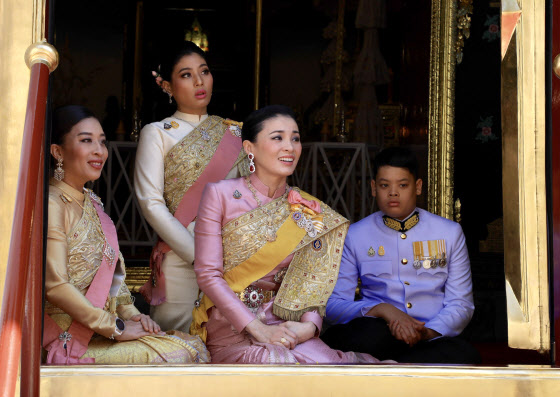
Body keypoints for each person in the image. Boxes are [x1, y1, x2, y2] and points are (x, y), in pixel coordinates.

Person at [190, 105, 385, 364]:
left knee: (334, 370)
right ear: (250, 148)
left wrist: (309, 327)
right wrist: (259, 330)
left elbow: (313, 282)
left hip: (286, 325)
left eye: (295, 138)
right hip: (231, 326)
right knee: (277, 366)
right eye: (277, 138)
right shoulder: (220, 195)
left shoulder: (309, 210)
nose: (290, 147)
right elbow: (207, 274)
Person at [43, 105, 209, 364]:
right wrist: (116, 326)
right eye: (86, 141)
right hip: (65, 336)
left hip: (102, 330)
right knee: (181, 354)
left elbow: (113, 286)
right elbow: (55, 286)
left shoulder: (92, 202)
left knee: (191, 344)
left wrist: (132, 316)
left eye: (102, 142)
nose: (100, 151)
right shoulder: (53, 203)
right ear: (57, 151)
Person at [321, 147, 481, 364]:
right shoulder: (355, 235)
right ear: (373, 188)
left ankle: (398, 360)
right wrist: (382, 310)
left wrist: (426, 332)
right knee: (366, 336)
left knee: (465, 355)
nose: (393, 193)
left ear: (418, 187)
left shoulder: (449, 233)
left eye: (402, 185)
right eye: (384, 185)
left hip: (430, 337)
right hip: (378, 333)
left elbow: (461, 304)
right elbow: (333, 307)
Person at [134, 41, 247, 332]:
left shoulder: (235, 133)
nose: (199, 81)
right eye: (186, 75)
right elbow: (150, 202)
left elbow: (250, 195)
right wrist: (199, 256)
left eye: (204, 71)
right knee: (178, 348)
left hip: (230, 259)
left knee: (227, 348)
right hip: (181, 259)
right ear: (168, 86)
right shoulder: (157, 133)